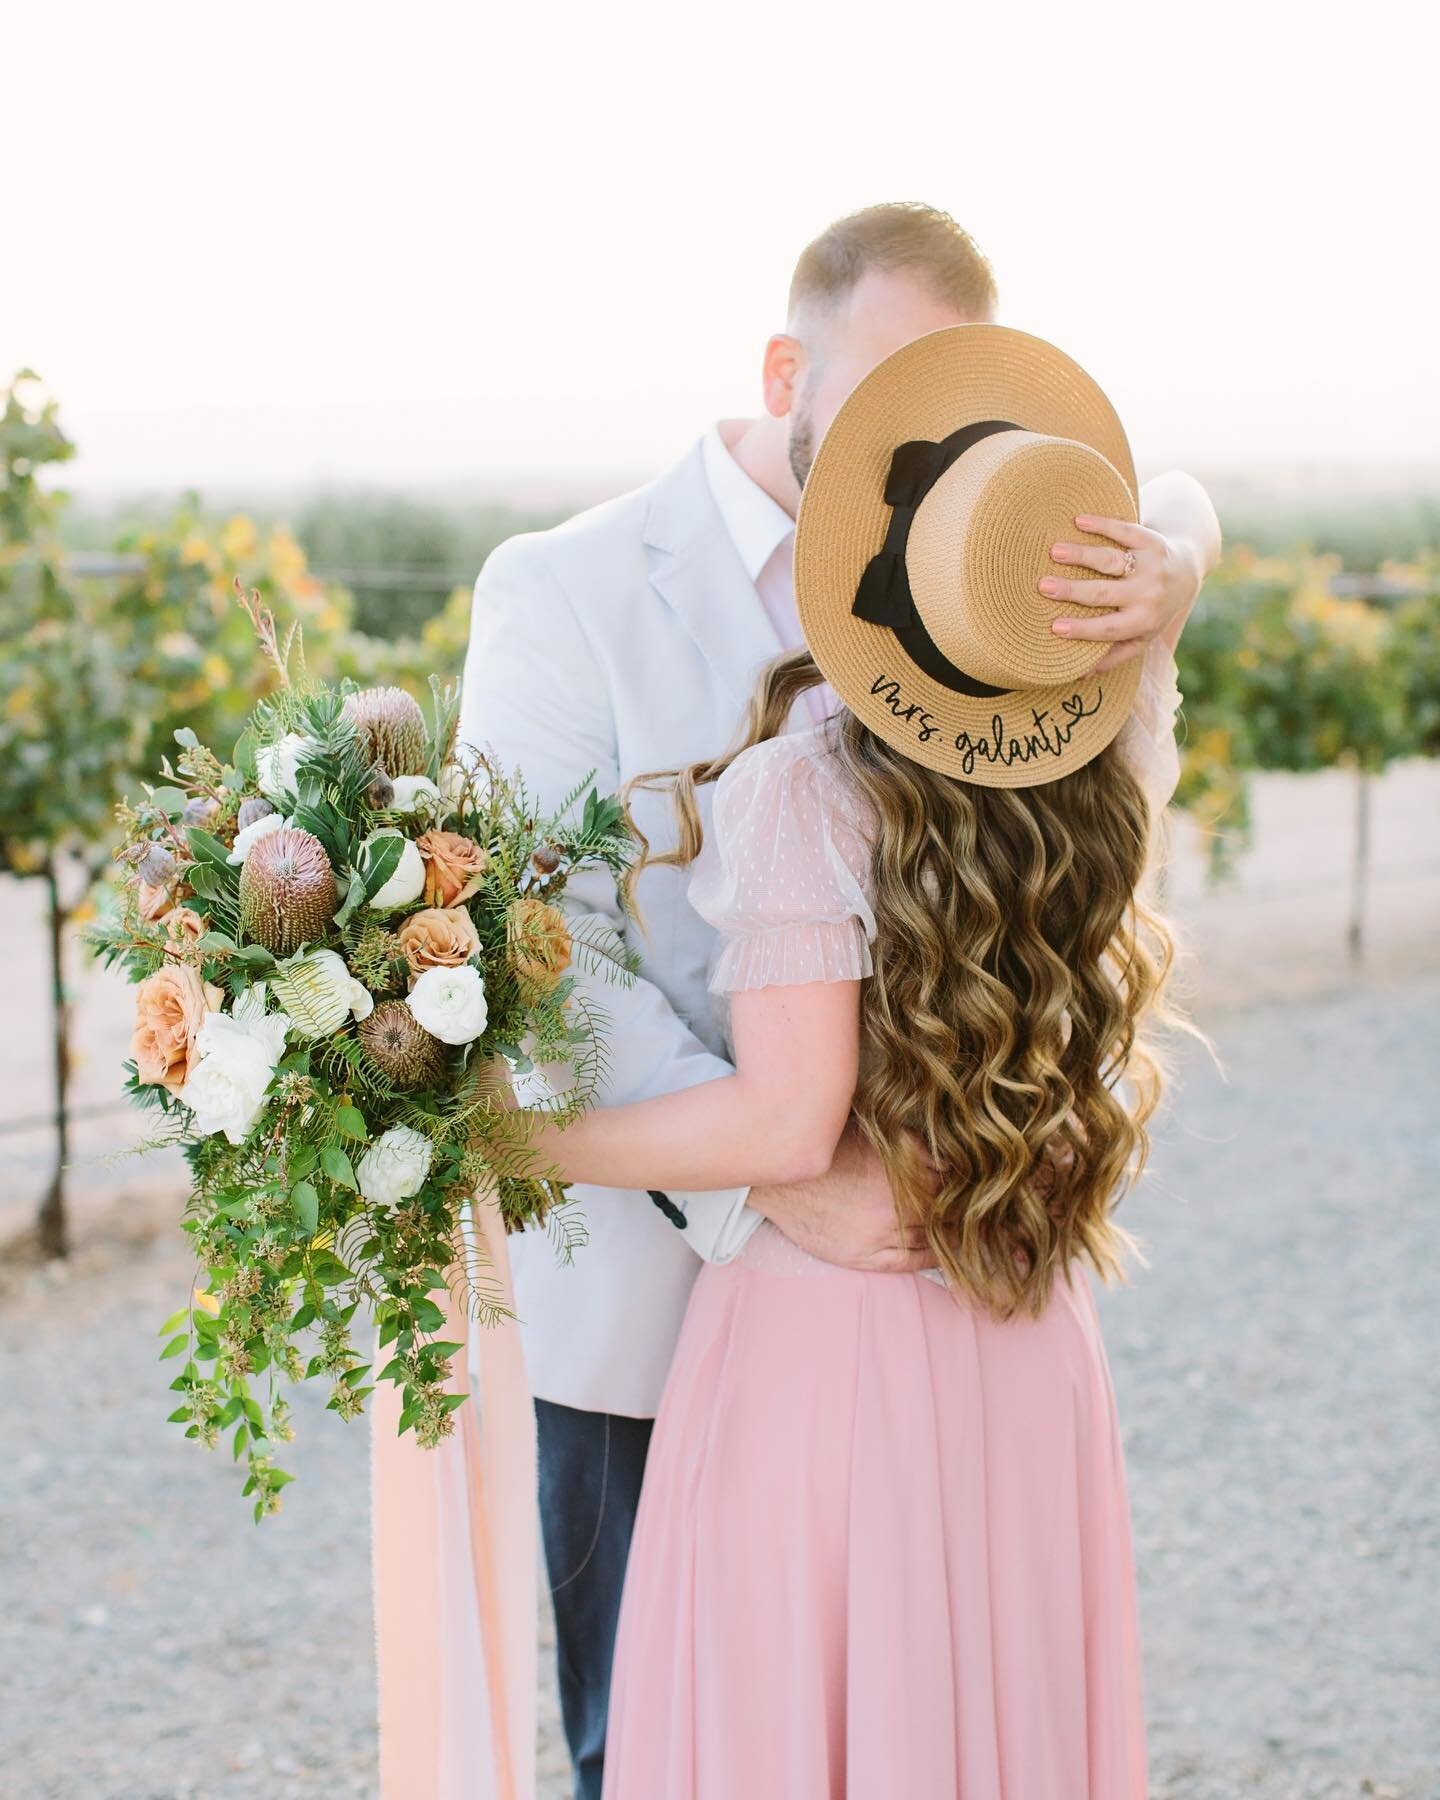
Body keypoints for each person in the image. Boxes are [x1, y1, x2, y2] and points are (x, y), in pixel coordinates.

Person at [458, 204, 1220, 1797]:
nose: (908, 447)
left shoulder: (1006, 607)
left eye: (950, 407)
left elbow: (1177, 518)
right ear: (786, 369)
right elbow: (546, 944)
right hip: (696, 1281)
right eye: (876, 395)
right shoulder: (567, 588)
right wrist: (778, 1190)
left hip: (894, 1292)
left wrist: (1180, 568)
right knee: (661, 1731)